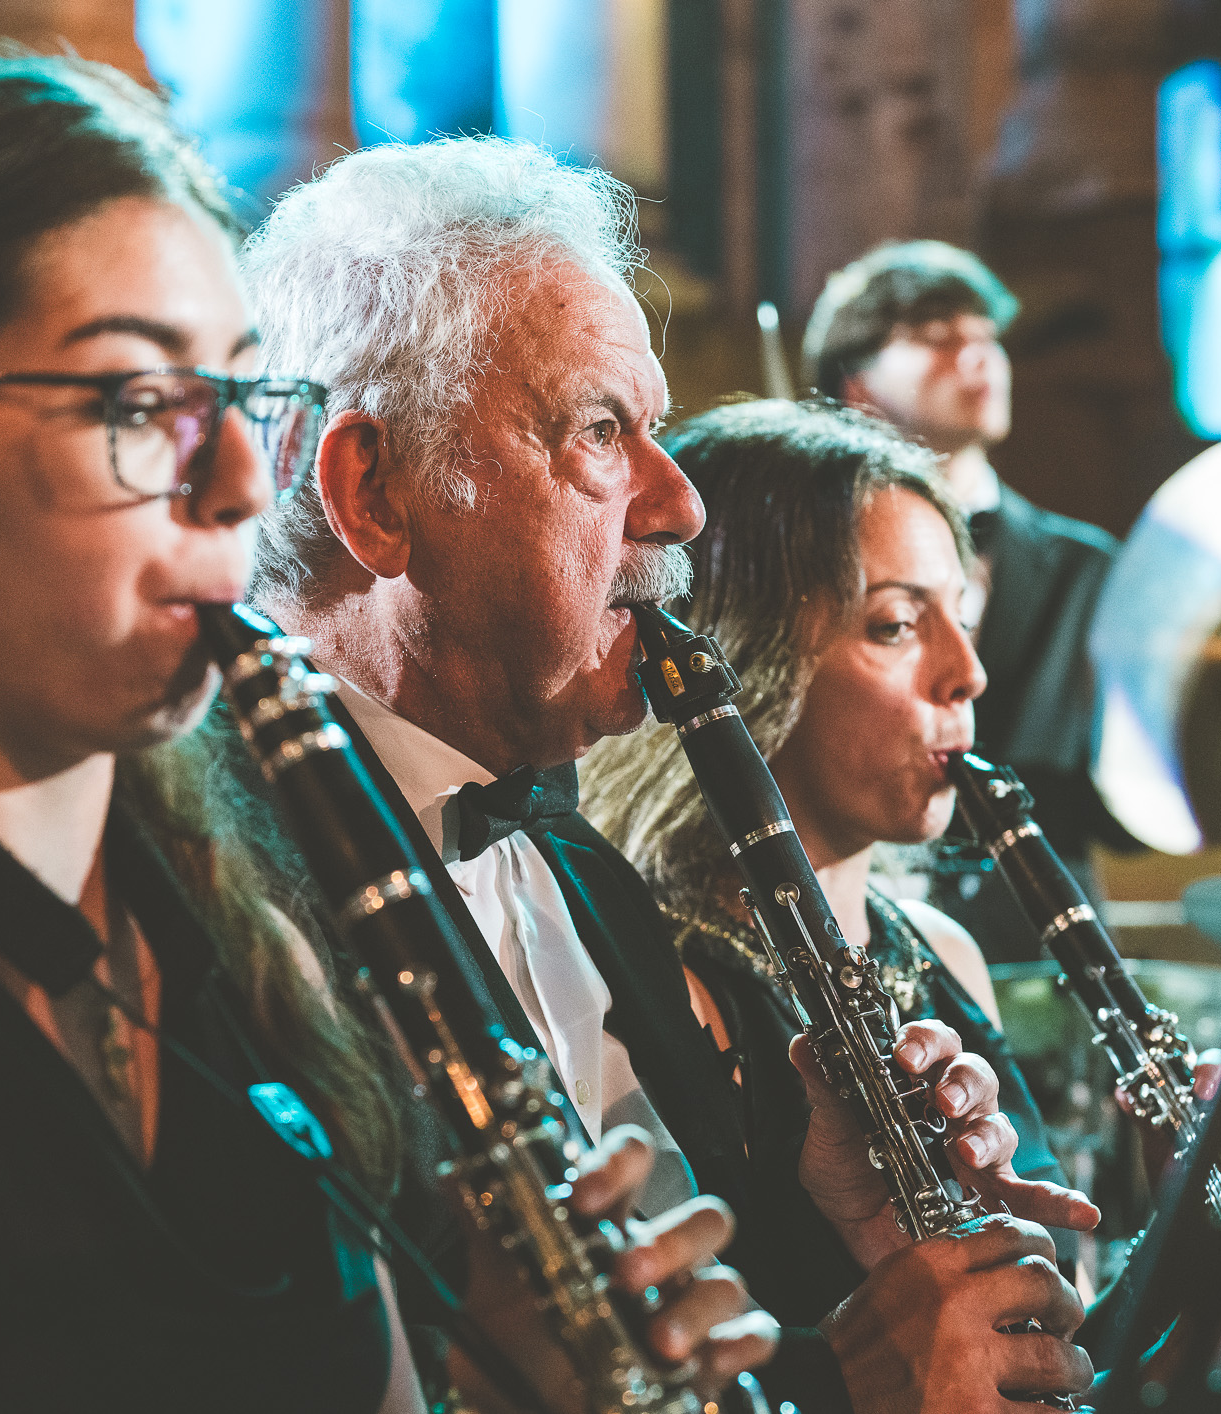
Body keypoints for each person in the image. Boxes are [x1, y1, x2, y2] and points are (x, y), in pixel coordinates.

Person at [0, 58, 764, 1414]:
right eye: (133, 405)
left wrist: (502, 1371)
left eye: (234, 399)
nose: (233, 487)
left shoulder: (238, 941)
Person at [244, 135, 1098, 1412]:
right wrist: (848, 1387)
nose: (680, 503)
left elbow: (716, 1344)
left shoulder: (580, 867)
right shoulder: (221, 896)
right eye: (601, 432)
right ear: (375, 493)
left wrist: (855, 1237)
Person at [579, 398, 1079, 1314]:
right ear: (752, 652)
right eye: (894, 625)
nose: (966, 671)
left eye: (961, 615)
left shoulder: (939, 948)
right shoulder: (659, 992)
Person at [803, 240, 1133, 960]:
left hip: (1045, 956)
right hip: (865, 940)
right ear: (856, 383)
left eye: (986, 337)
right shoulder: (804, 562)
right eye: (936, 338)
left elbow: (1119, 808)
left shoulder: (1088, 567)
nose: (977, 357)